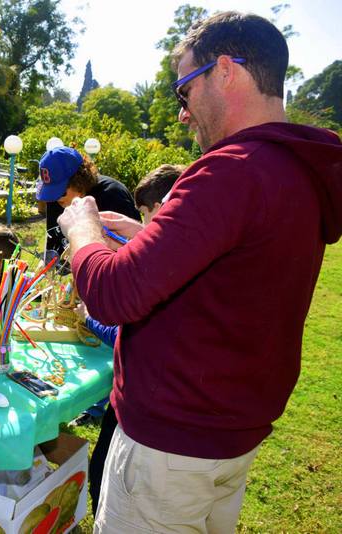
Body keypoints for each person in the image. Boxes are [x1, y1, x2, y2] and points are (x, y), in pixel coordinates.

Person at [57, 12, 342, 533]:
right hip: (230, 433)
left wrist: (84, 229)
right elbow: (235, 274)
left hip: (171, 446)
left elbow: (113, 294)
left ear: (226, 71)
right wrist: (149, 237)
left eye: (183, 91)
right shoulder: (295, 169)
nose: (183, 114)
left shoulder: (230, 170)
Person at [72, 163, 183, 518]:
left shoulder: (168, 265)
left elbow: (126, 327)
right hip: (169, 414)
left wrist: (89, 318)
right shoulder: (186, 248)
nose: (149, 229)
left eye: (149, 217)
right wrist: (139, 232)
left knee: (105, 470)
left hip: (149, 417)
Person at [38, 147, 139, 256]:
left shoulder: (112, 195)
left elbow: (135, 248)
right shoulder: (57, 200)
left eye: (60, 192)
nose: (57, 199)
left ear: (78, 182)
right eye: (50, 193)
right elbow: (55, 248)